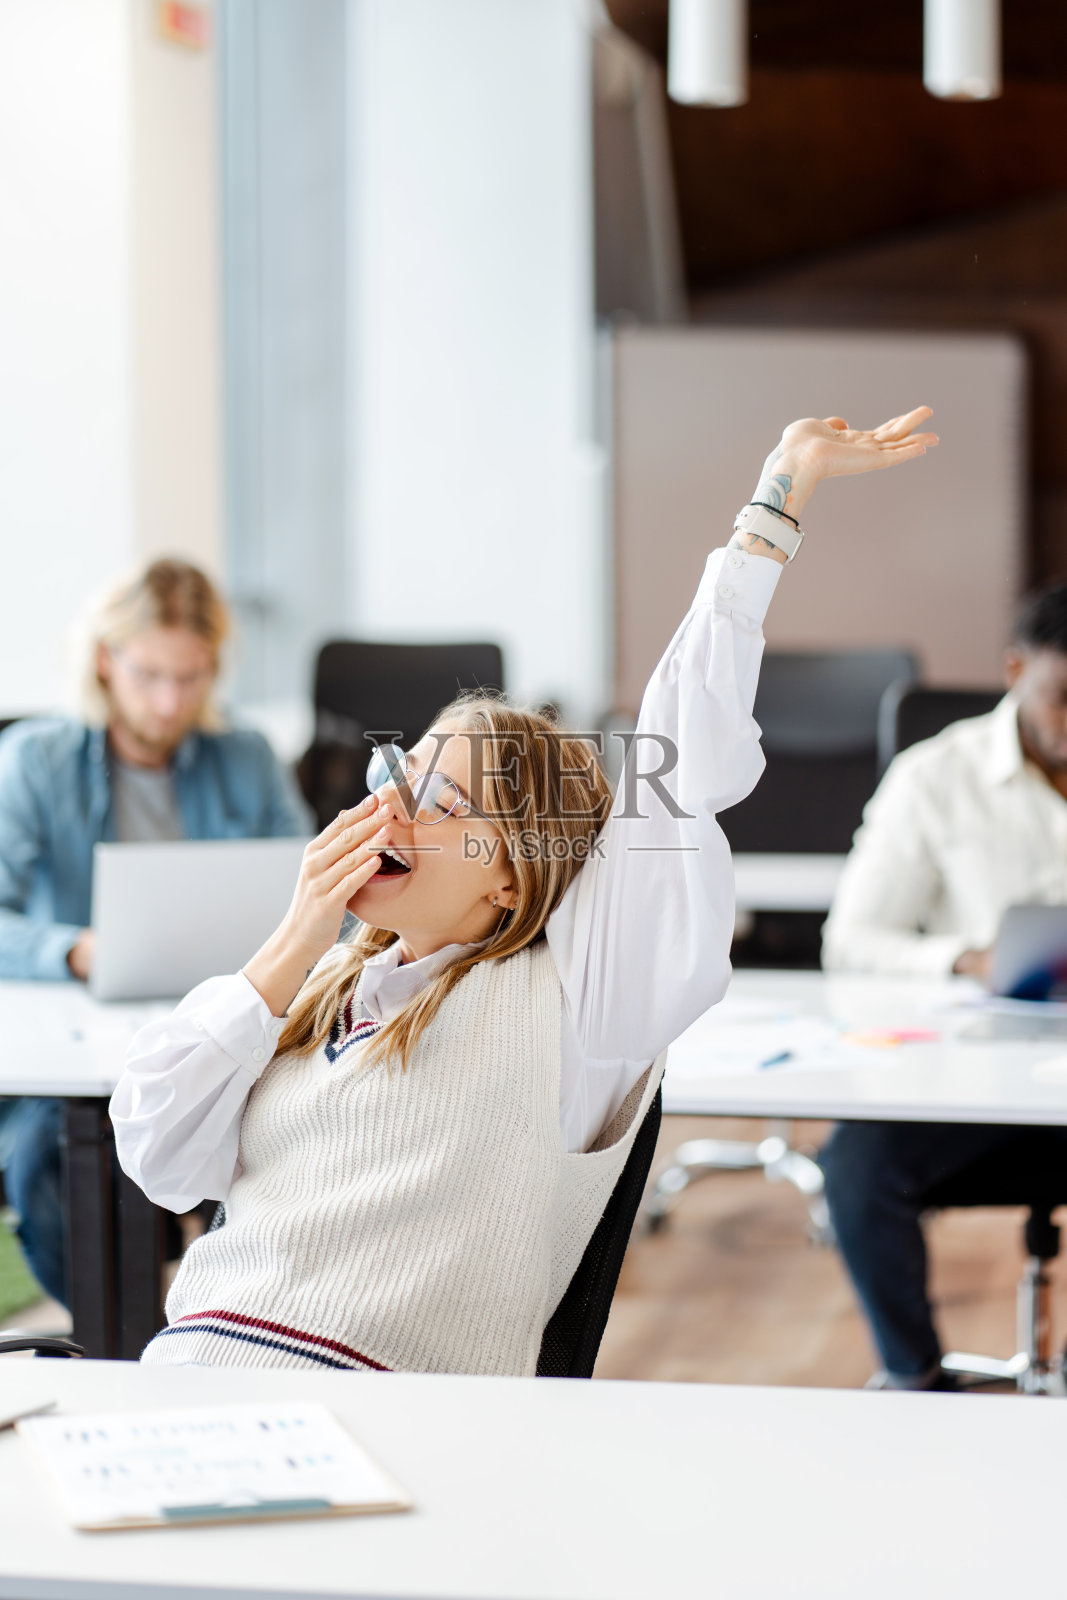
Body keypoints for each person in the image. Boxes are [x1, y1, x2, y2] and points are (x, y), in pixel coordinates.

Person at [111, 408, 936, 1376]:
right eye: (399, 776)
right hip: (184, 1391)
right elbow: (157, 1151)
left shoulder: (577, 1001)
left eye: (442, 799)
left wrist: (774, 499)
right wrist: (291, 946)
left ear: (512, 873)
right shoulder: (315, 987)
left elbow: (678, 764)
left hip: (382, 1428)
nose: (394, 810)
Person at [0, 559, 311, 1307]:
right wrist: (75, 949)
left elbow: (306, 891)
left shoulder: (247, 758)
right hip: (83, 1039)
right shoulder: (37, 762)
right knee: (52, 1163)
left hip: (225, 1024)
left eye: (192, 678)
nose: (171, 701)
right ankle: (132, 1344)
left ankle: (225, 1313)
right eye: (150, 676)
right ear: (107, 662)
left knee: (297, 1130)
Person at [820, 581, 1067, 1388]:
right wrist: (966, 959)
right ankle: (915, 1379)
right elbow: (851, 942)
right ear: (1014, 670)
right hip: (979, 1077)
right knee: (856, 1166)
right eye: (1063, 697)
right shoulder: (934, 778)